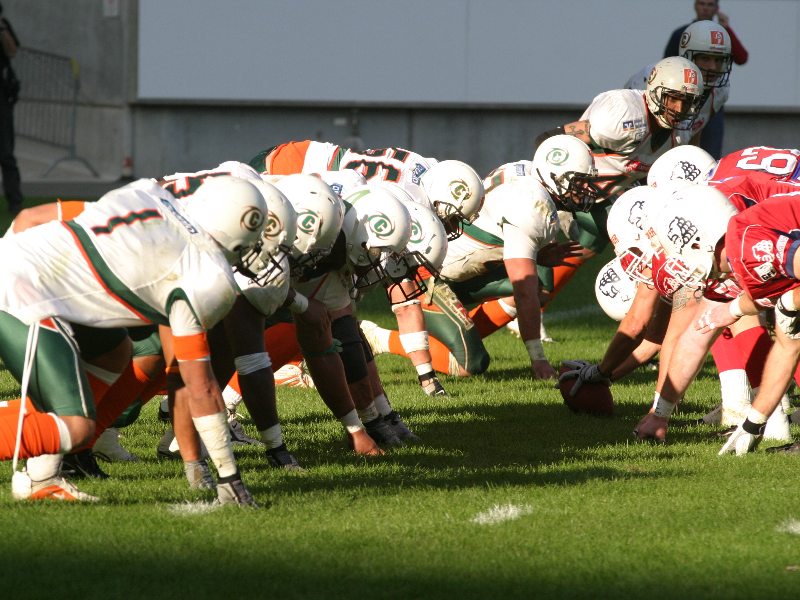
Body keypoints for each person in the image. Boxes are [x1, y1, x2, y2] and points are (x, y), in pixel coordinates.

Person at [0, 176, 268, 504]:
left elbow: (40, 217)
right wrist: (229, 476)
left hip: (33, 273)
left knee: (114, 352)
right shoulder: (206, 274)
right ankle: (51, 448)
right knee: (77, 428)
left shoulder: (152, 193)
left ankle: (42, 478)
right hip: (24, 290)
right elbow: (200, 386)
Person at [363, 135, 595, 381]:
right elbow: (523, 291)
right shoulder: (532, 206)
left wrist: (537, 254)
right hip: (428, 271)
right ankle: (377, 337)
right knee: (470, 363)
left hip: (455, 263)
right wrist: (538, 358)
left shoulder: (526, 171)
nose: (586, 190)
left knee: (534, 286)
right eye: (579, 181)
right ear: (554, 176)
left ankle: (459, 337)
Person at [663, 0, 748, 158]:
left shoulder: (723, 35)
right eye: (702, 4)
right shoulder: (682, 33)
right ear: (695, 6)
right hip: (684, 99)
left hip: (711, 101)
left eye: (710, 5)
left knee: (710, 154)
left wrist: (727, 29)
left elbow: (742, 58)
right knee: (675, 150)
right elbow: (667, 65)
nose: (705, 8)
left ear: (716, 8)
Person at [0, 2, 22, 214]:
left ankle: (15, 201)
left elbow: (12, 51)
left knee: (6, 152)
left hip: (1, 98)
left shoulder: (4, 27)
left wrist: (1, 28)